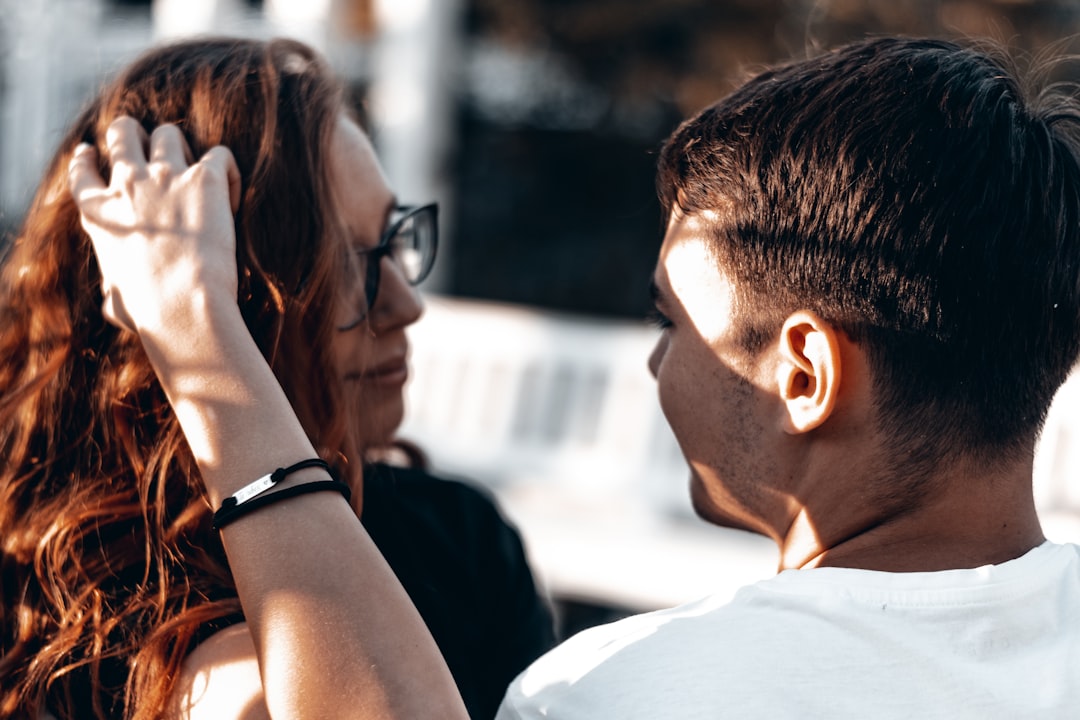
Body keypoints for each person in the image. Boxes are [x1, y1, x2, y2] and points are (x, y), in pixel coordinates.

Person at [55, 34, 1080, 719]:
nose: (654, 358)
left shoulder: (623, 695)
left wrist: (201, 349)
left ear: (804, 371)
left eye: (666, 317)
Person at [0, 37, 552, 720]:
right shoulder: (58, 592)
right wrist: (193, 336)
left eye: (392, 240)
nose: (405, 304)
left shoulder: (456, 541)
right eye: (341, 265)